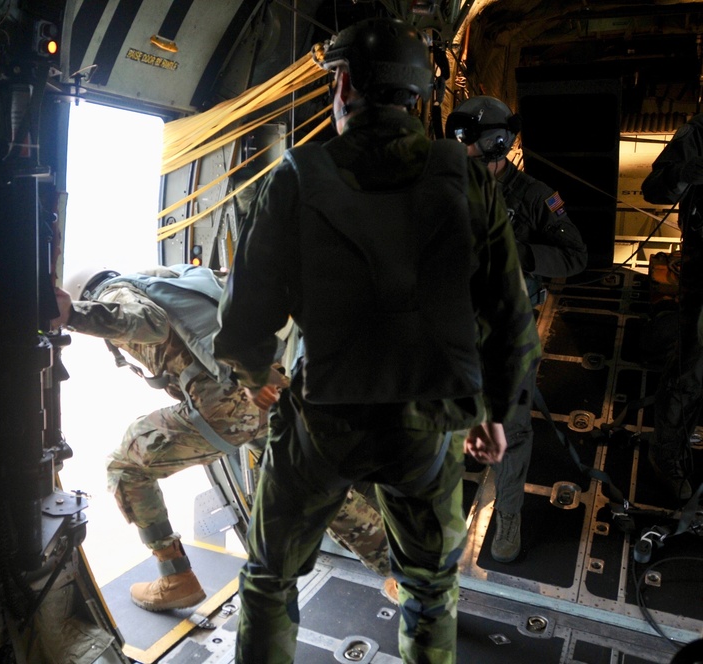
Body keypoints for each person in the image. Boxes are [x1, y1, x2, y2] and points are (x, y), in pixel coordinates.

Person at [213, 17, 540, 664]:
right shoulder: (469, 180)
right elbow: (511, 315)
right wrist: (496, 414)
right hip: (428, 422)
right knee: (427, 590)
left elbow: (244, 322)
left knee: (269, 580)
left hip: (321, 420)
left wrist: (264, 381)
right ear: (417, 96)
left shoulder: (294, 177)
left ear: (342, 85)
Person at [50, 264, 396, 613]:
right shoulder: (168, 279)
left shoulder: (115, 295)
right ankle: (404, 569)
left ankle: (176, 577)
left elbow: (148, 324)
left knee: (126, 466)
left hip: (227, 406)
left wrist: (74, 315)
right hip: (269, 387)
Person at [446, 96, 588, 562]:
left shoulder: (533, 196)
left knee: (511, 426)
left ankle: (508, 513)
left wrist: (520, 252)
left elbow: (575, 256)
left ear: (497, 146)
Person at [641, 113, 703, 502]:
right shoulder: (698, 135)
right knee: (692, 367)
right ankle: (665, 455)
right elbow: (654, 189)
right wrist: (689, 171)